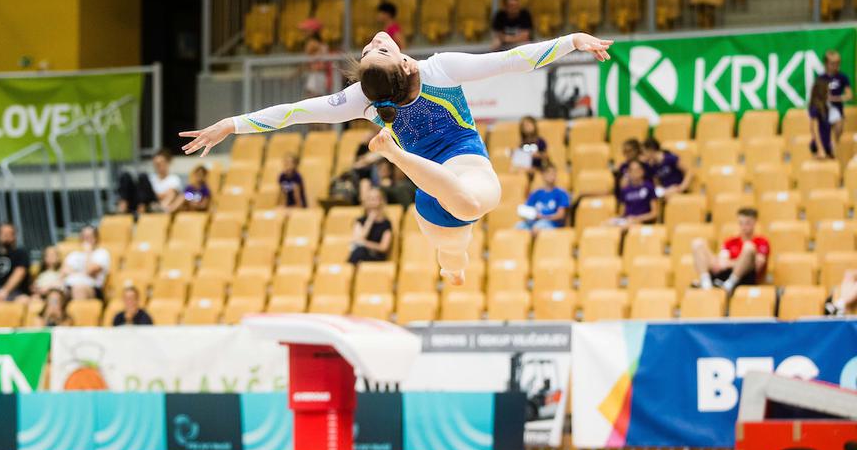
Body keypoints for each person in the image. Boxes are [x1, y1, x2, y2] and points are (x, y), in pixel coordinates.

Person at [181, 29, 613, 285]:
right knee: (460, 220)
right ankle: (403, 170)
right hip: (430, 194)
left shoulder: (425, 75)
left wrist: (571, 41)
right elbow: (292, 113)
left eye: (372, 48)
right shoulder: (411, 79)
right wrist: (234, 124)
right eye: (377, 49)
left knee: (468, 209)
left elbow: (511, 60)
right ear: (405, 65)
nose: (375, 40)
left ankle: (441, 243)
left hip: (462, 166)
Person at [692, 207, 770, 295]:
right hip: (724, 275)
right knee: (698, 243)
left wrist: (730, 263)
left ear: (754, 222)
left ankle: (730, 284)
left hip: (745, 278)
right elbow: (721, 261)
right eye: (741, 223)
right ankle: (706, 283)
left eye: (747, 223)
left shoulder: (762, 242)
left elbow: (757, 265)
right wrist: (728, 263)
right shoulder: (731, 241)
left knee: (748, 247)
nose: (744, 227)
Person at [116, 148, 182, 214]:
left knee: (143, 177)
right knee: (126, 176)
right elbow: (146, 193)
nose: (158, 166)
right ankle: (122, 207)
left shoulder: (174, 179)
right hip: (146, 202)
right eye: (156, 164)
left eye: (161, 163)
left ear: (168, 163)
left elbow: (171, 194)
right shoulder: (151, 178)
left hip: (156, 205)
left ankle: (150, 209)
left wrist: (154, 195)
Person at [62, 226, 111, 300]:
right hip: (69, 285)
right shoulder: (73, 254)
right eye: (83, 236)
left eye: (89, 237)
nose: (85, 239)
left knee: (78, 289)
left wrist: (88, 252)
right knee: (55, 293)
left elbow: (89, 271)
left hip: (91, 288)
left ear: (96, 238)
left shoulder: (102, 253)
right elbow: (64, 272)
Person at [518, 163, 570, 234]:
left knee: (539, 225)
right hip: (534, 222)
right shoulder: (536, 193)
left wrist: (542, 217)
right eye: (549, 173)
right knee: (519, 226)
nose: (552, 176)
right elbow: (528, 210)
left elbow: (561, 215)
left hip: (552, 224)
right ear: (543, 175)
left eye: (554, 173)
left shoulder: (561, 193)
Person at [348, 189, 393, 264]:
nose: (373, 202)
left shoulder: (386, 223)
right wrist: (370, 220)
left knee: (359, 252)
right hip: (360, 253)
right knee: (359, 252)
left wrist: (365, 243)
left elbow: (384, 247)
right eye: (370, 199)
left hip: (376, 256)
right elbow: (360, 238)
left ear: (381, 201)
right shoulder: (360, 221)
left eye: (375, 198)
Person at [612, 160, 658, 228]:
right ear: (629, 173)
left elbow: (654, 213)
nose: (635, 172)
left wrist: (637, 218)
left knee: (631, 225)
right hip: (627, 221)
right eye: (632, 170)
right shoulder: (625, 190)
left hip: (642, 221)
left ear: (642, 171)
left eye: (637, 169)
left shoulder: (649, 187)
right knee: (605, 225)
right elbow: (622, 213)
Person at [819, 49, 851, 139]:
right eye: (832, 63)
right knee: (824, 137)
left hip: (837, 109)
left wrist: (835, 98)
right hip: (824, 111)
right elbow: (817, 95)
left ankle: (834, 148)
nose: (835, 66)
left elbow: (849, 95)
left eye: (837, 63)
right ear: (826, 63)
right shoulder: (821, 78)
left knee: (838, 132)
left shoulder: (842, 77)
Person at [809, 77, 835, 159]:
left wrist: (831, 143)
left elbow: (829, 128)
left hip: (827, 144)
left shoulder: (826, 107)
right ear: (821, 92)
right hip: (819, 146)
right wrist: (820, 148)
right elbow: (814, 129)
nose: (829, 93)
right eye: (827, 91)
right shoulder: (815, 108)